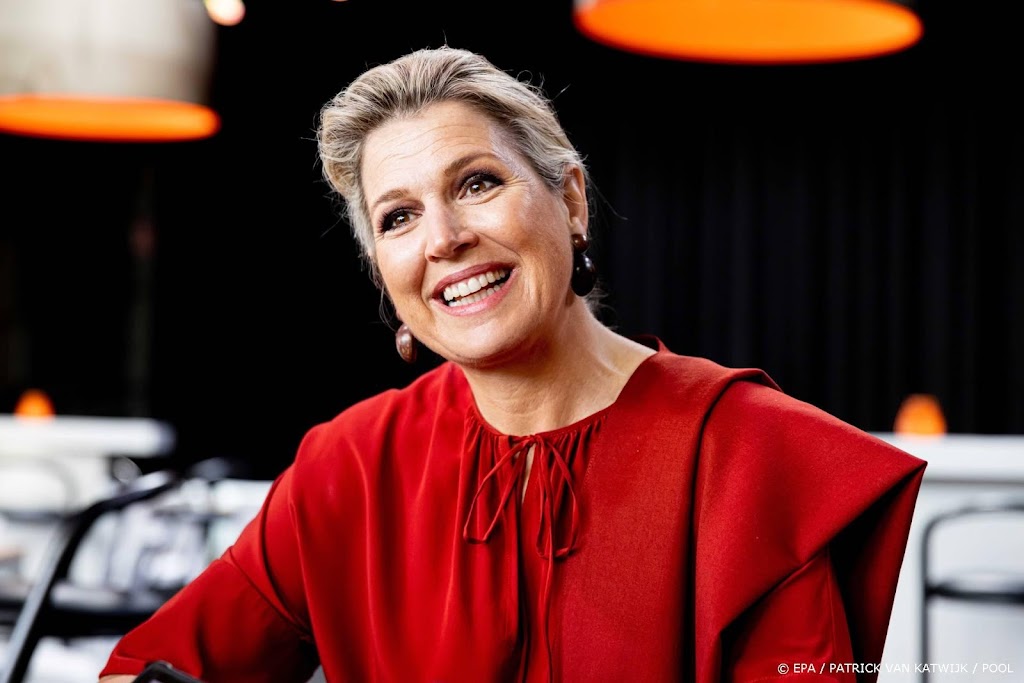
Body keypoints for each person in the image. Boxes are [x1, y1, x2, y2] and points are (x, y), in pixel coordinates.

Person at [99, 45, 927, 683]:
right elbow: (152, 667)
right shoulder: (350, 465)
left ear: (570, 200)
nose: (444, 239)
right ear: (383, 270)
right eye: (398, 217)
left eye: (477, 183)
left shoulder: (750, 454)